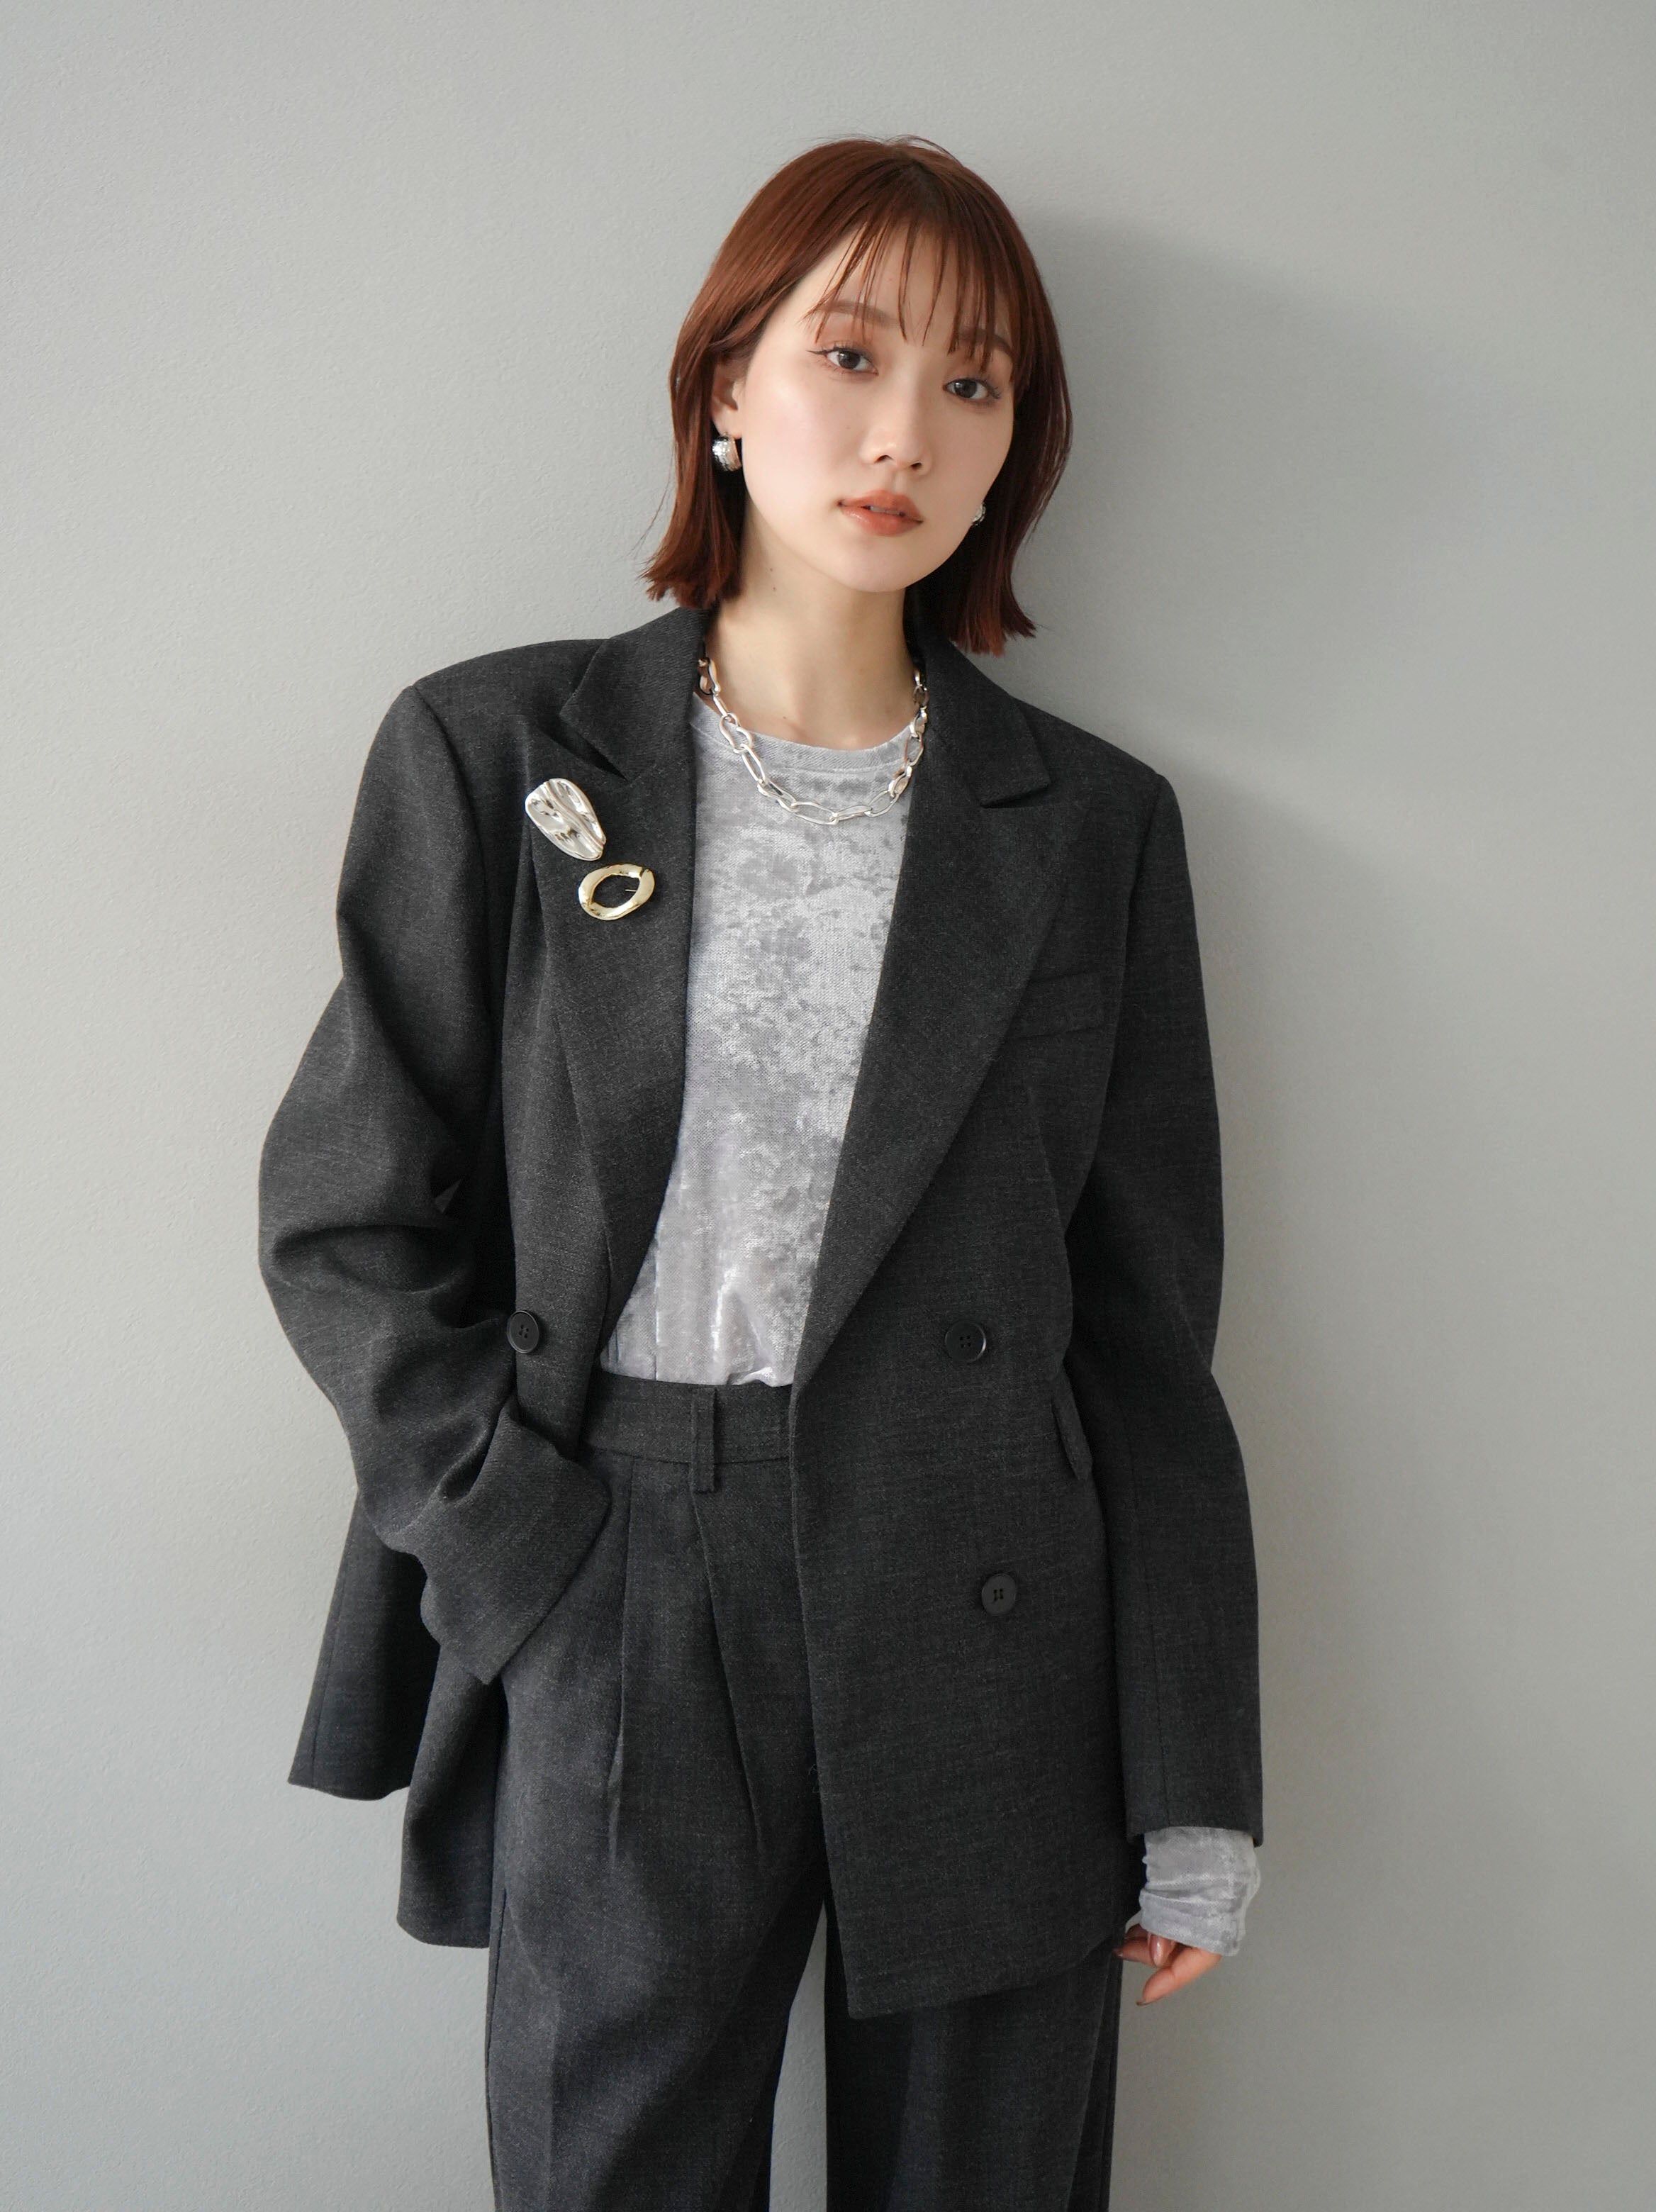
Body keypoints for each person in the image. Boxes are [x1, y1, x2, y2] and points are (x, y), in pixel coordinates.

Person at [259, 134, 1263, 2211]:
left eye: (974, 384)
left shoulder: (1092, 828)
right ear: (727, 385)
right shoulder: (499, 752)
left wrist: (1193, 1783)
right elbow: (348, 1219)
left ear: (1014, 450)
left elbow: (1145, 1338)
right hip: (621, 1571)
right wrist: (524, 1559)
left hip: (996, 1612)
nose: (906, 434)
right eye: (851, 354)